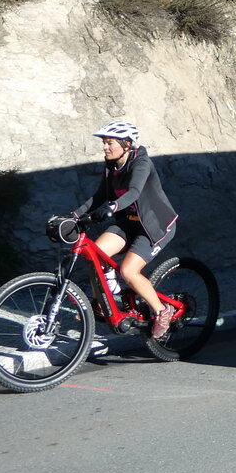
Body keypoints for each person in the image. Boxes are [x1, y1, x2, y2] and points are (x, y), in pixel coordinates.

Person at [73, 121, 178, 339]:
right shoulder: (111, 164)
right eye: (104, 143)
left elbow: (134, 192)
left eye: (109, 143)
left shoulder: (141, 163)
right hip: (128, 223)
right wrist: (74, 215)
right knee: (94, 255)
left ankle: (162, 310)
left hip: (154, 226)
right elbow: (100, 195)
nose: (105, 148)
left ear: (126, 144)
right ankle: (103, 301)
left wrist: (113, 207)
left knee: (128, 272)